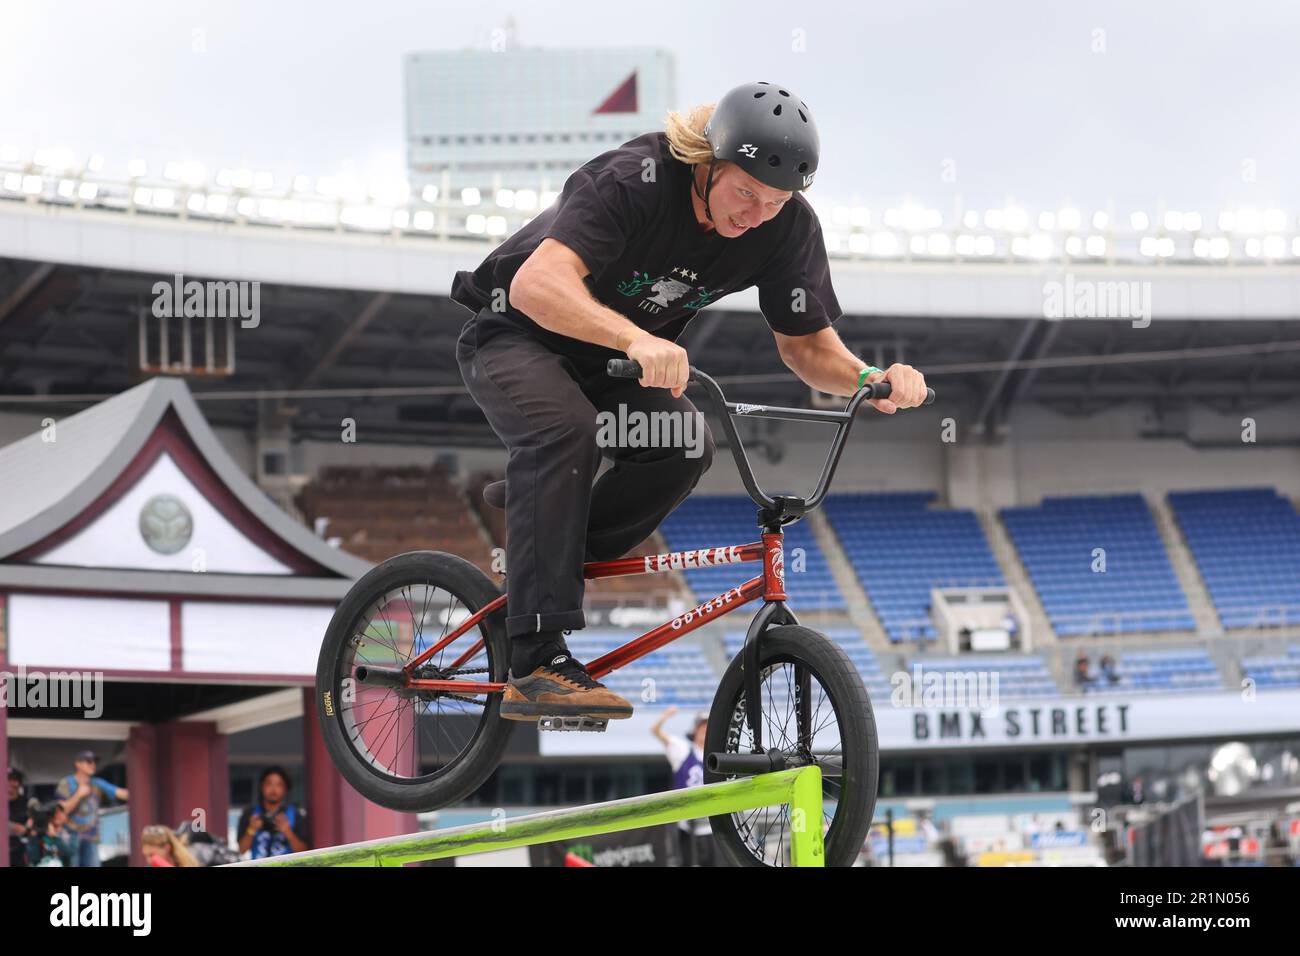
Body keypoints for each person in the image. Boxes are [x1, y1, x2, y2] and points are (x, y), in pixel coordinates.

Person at [451, 81, 929, 720]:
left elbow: (806, 346)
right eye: (745, 193)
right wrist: (634, 336)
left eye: (776, 200)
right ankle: (537, 662)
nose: (756, 214)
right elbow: (538, 285)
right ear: (709, 163)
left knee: (684, 444)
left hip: (618, 365)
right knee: (566, 427)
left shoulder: (784, 229)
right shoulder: (634, 180)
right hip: (515, 335)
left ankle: (545, 545)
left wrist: (869, 377)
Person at [650, 706, 711, 866]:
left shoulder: (717, 756)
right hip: (688, 825)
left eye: (708, 726)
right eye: (702, 726)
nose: (705, 729)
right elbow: (655, 730)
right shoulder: (683, 749)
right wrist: (666, 715)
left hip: (712, 825)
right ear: (695, 730)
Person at [55, 750, 128, 867]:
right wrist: (79, 794)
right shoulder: (67, 783)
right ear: (77, 764)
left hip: (91, 837)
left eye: (95, 761)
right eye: (88, 761)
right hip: (71, 837)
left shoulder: (97, 783)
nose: (93, 764)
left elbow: (120, 793)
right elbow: (60, 812)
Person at [237, 766, 310, 859]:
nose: (273, 789)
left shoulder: (296, 814)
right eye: (269, 783)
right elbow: (241, 850)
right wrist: (251, 829)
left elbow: (305, 853)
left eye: (279, 784)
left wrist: (287, 832)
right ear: (262, 786)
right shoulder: (250, 813)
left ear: (286, 789)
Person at [26, 801, 75, 867]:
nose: (58, 816)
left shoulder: (69, 834)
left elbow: (69, 853)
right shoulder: (39, 833)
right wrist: (33, 837)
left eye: (61, 812)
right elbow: (32, 857)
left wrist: (55, 837)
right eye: (56, 813)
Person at [8, 767, 32, 868]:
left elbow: (31, 825)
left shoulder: (26, 802)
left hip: (19, 851)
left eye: (17, 780)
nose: (14, 784)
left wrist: (28, 827)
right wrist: (12, 826)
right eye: (10, 780)